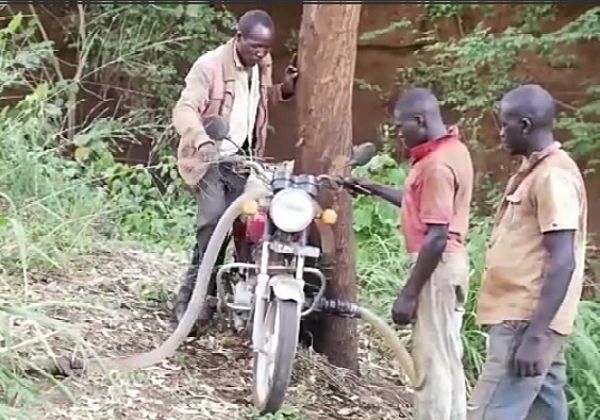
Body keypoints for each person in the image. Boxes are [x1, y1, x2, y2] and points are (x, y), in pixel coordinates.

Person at [349, 87, 474, 420]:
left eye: (401, 126)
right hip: (452, 265)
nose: (399, 134)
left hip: (437, 266)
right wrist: (369, 186)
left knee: (431, 364)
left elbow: (436, 237)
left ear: (419, 120)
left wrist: (409, 293)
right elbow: (416, 203)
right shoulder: (454, 150)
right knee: (448, 359)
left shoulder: (436, 166)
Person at [171, 9, 298, 331]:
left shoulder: (261, 65)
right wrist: (200, 139)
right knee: (213, 224)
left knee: (250, 227)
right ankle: (192, 298)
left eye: (266, 48)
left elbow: (257, 100)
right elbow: (185, 108)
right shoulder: (210, 65)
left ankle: (238, 297)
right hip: (210, 157)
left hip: (243, 159)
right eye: (255, 46)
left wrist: (284, 88)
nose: (261, 53)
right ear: (238, 38)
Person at [467, 84, 587, 420]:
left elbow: (563, 260)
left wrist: (535, 335)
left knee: (489, 412)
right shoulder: (535, 171)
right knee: (544, 411)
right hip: (531, 321)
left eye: (505, 124)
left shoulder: (553, 176)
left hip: (525, 321)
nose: (500, 132)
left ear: (525, 125)